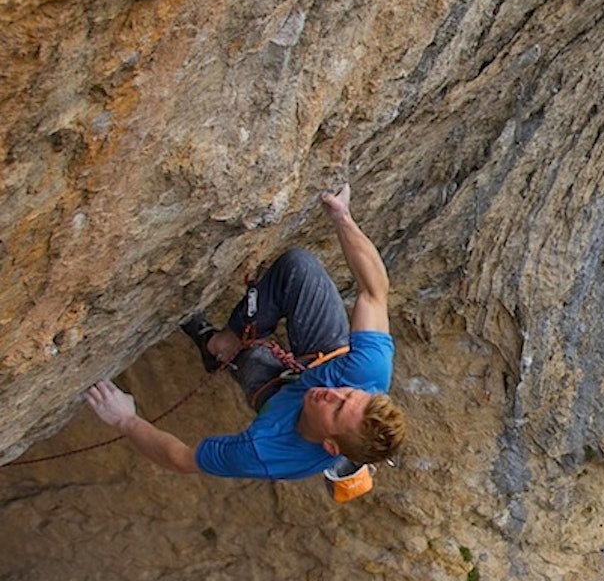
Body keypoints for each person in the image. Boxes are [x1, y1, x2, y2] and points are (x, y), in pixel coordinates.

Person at [84, 184, 406, 482]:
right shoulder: (364, 373)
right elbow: (373, 292)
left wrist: (124, 420)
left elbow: (181, 459)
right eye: (348, 395)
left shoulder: (268, 452)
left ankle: (217, 350)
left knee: (253, 361)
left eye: (336, 409)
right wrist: (342, 216)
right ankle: (229, 338)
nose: (332, 393)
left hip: (279, 396)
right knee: (299, 268)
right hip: (326, 356)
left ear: (330, 447)